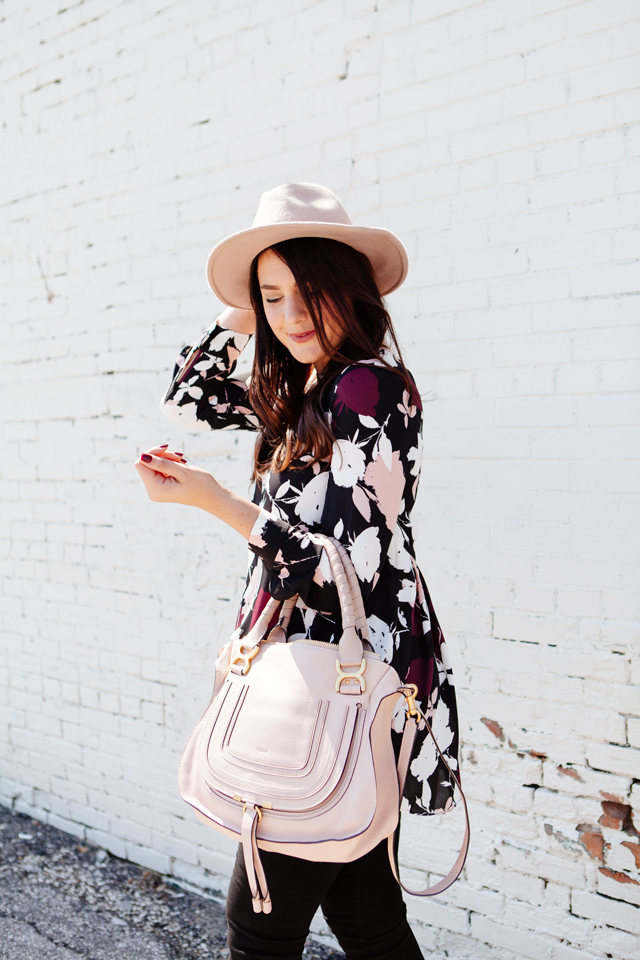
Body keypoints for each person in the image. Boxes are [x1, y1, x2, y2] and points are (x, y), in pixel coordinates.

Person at [135, 183, 460, 960]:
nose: (291, 313)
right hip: (314, 675)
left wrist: (215, 502)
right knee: (367, 917)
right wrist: (238, 309)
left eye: (307, 290)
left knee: (260, 925)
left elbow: (345, 567)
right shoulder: (303, 389)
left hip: (346, 671)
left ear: (349, 287)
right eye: (273, 296)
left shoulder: (368, 387)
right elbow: (185, 402)